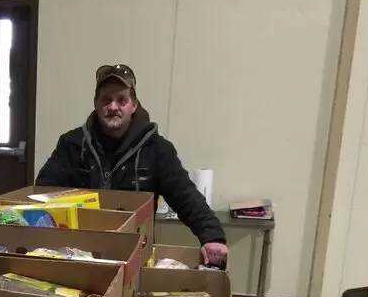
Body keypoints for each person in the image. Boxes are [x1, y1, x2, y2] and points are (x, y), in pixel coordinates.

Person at [36, 64, 228, 266]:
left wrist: (213, 236)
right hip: (79, 255)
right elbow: (43, 190)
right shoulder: (72, 144)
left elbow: (185, 195)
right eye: (106, 99)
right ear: (95, 103)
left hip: (134, 255)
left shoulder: (157, 149)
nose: (113, 107)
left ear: (134, 105)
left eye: (121, 100)